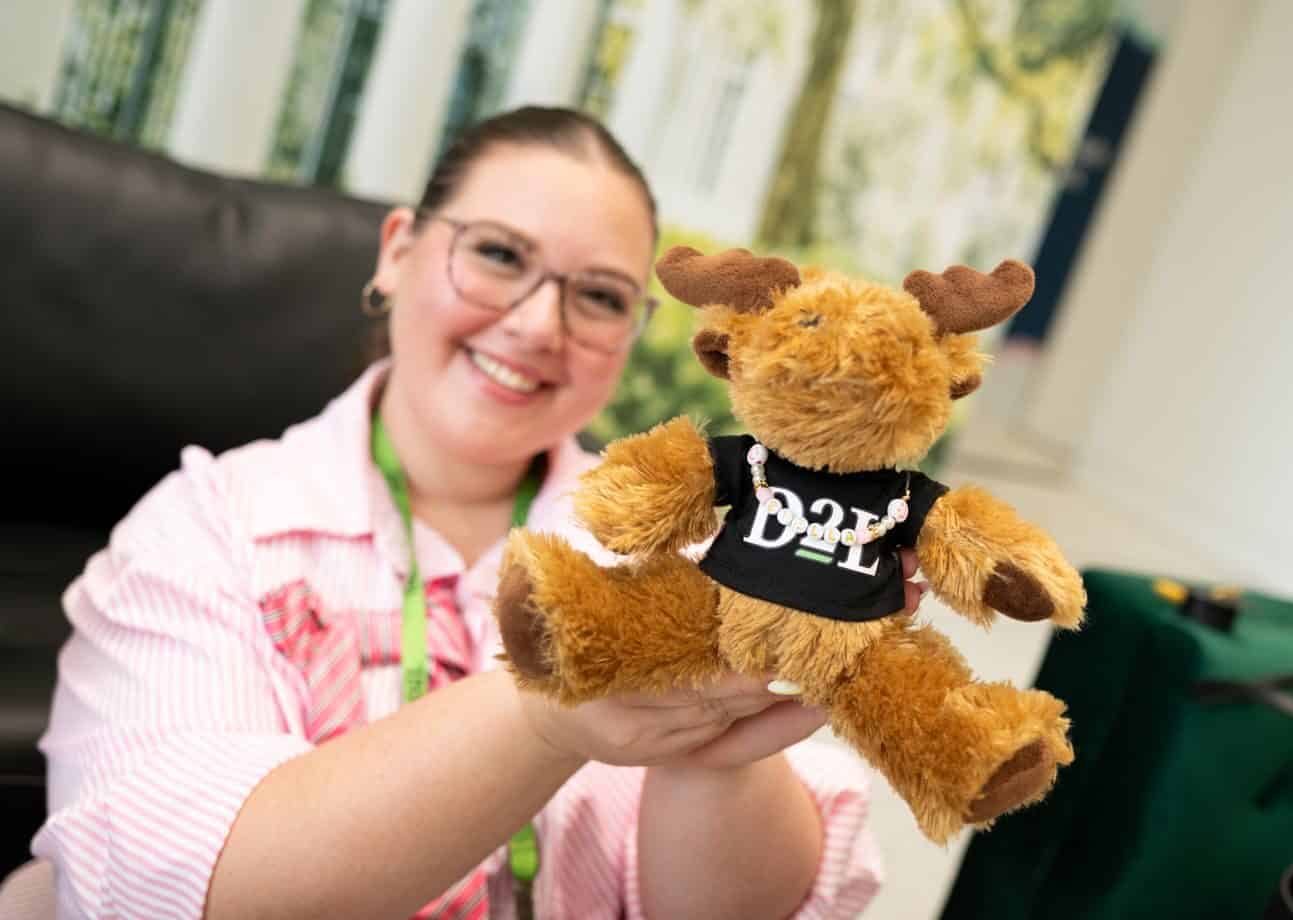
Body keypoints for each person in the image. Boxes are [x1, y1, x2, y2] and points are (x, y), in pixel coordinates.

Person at [34, 106, 916, 919]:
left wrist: (712, 747)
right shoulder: (206, 530)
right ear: (398, 252)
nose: (537, 326)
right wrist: (542, 713)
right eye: (498, 254)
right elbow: (170, 887)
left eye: (600, 297)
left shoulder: (683, 552)